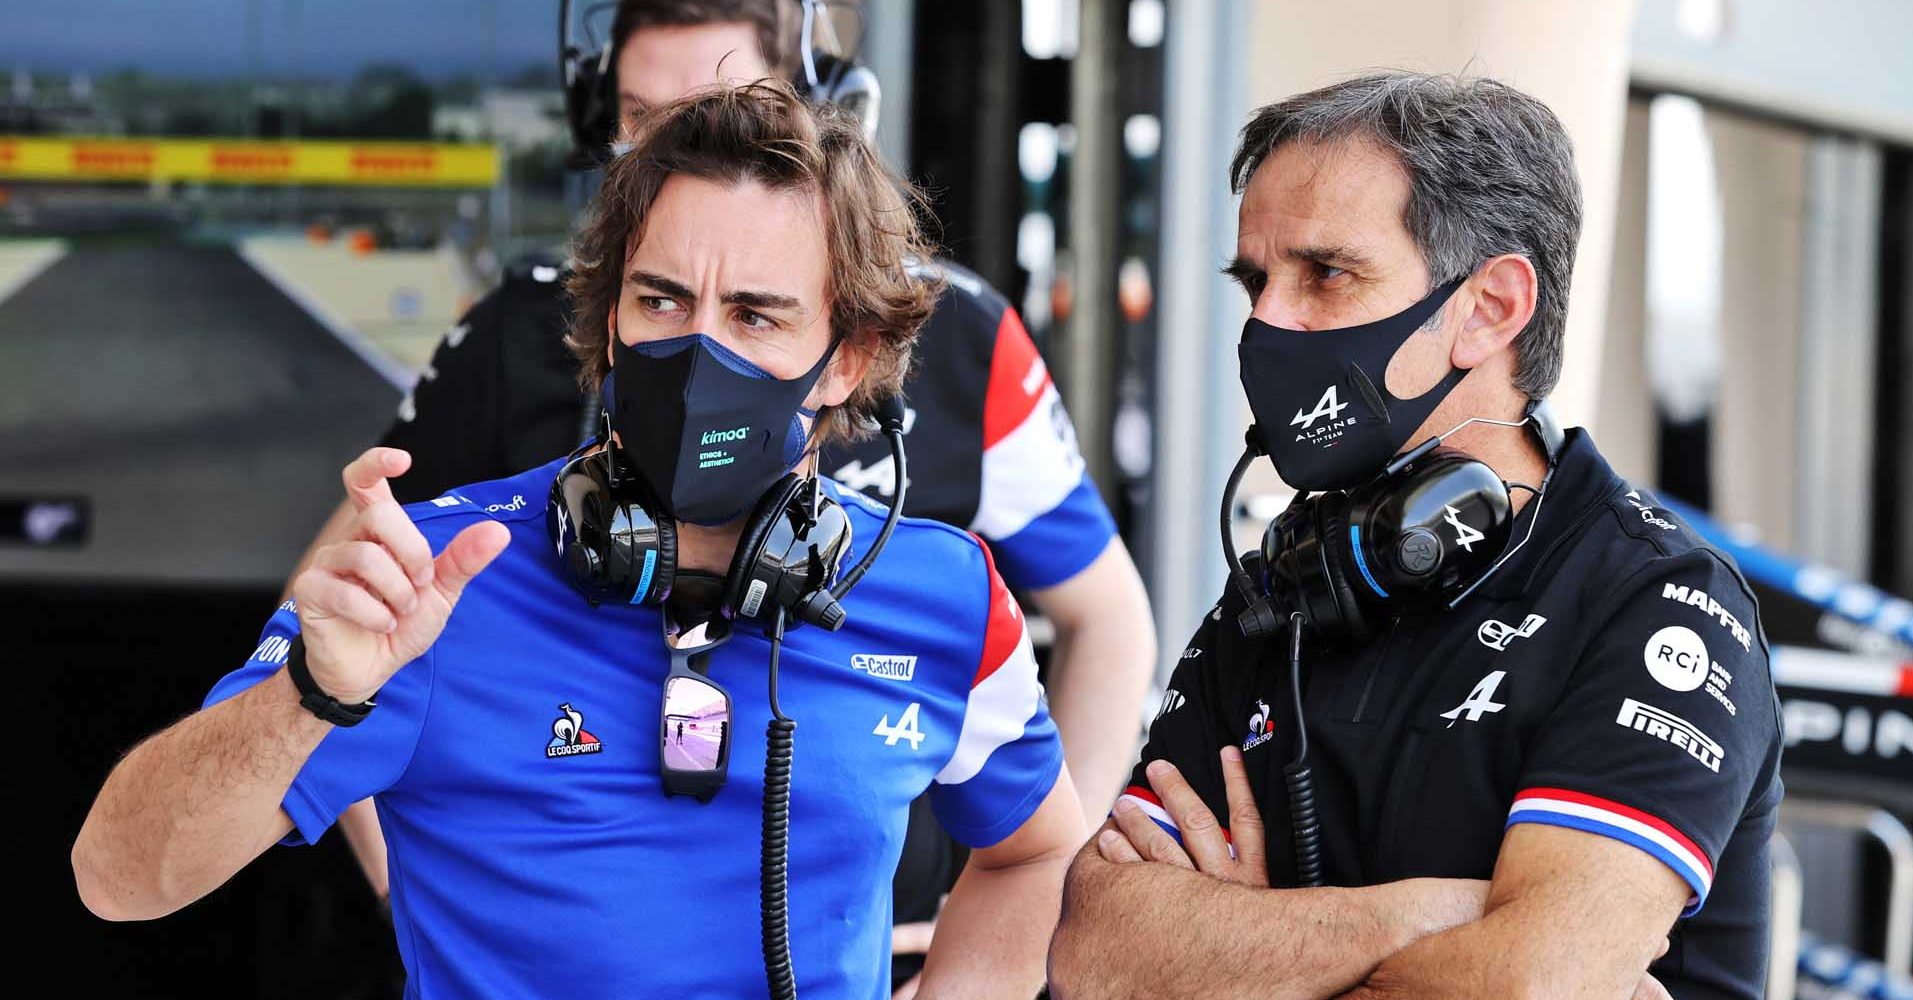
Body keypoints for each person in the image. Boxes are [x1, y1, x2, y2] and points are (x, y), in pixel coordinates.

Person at [73, 83, 1084, 1000]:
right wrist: (311, 696)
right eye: (662, 300)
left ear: (845, 358)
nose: (701, 351)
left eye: (755, 316)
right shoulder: (435, 578)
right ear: (606, 325)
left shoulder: (944, 596)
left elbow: (1037, 854)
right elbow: (116, 878)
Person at [293, 2, 1155, 988]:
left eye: (705, 106)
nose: (661, 151)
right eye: (634, 117)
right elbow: (340, 609)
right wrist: (418, 884)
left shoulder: (962, 336)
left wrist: (1032, 932)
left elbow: (1108, 618)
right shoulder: (526, 326)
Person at [1048, 72, 1783, 1000]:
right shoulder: (1283, 593)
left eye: (1325, 274)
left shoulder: (1653, 603)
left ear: (1490, 309)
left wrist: (1245, 949)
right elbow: (1092, 949)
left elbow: (1528, 985)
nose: (1268, 321)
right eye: (1256, 282)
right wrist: (1428, 917)